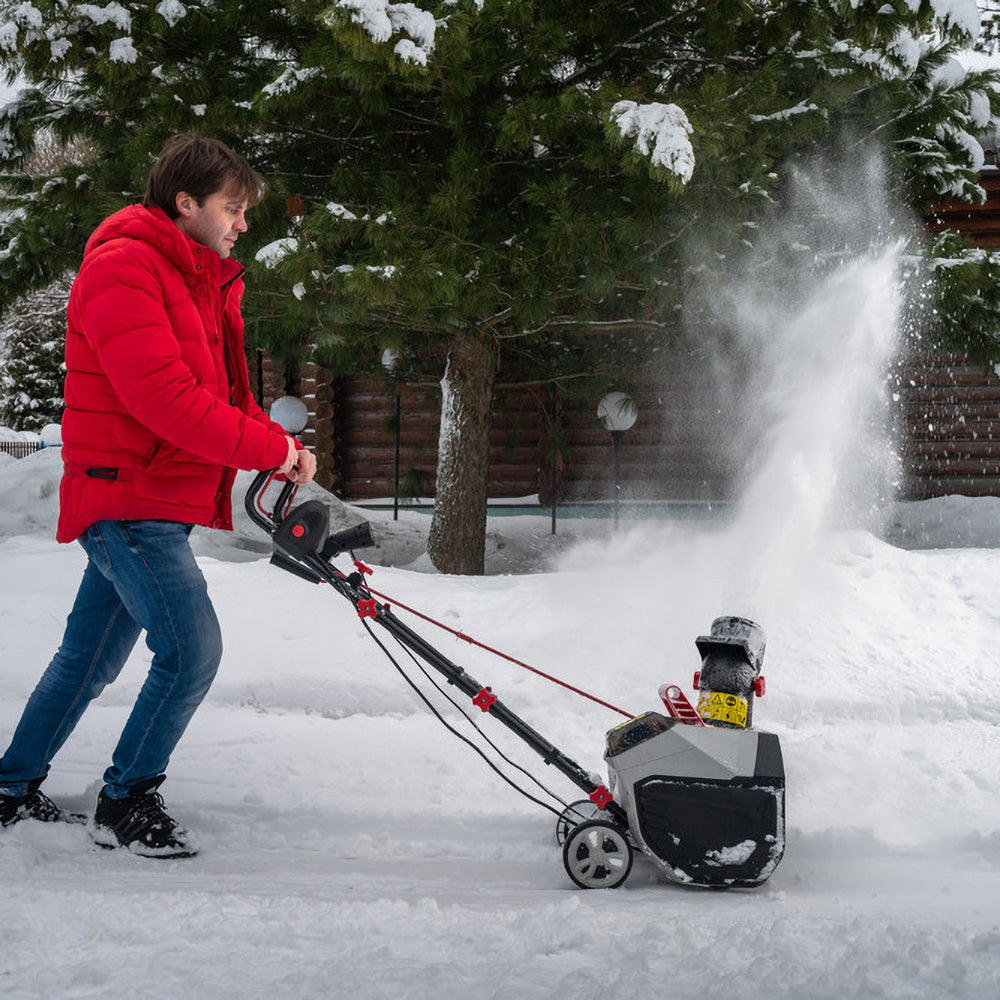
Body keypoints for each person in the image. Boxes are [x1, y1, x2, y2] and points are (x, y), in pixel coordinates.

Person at [0, 134, 316, 857]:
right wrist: (269, 450)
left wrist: (278, 443)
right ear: (186, 202)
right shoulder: (124, 267)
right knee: (191, 651)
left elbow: (221, 395)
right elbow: (164, 401)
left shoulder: (197, 279)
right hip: (127, 500)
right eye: (232, 209)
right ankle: (127, 799)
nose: (242, 225)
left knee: (86, 661)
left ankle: (9, 787)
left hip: (151, 500)